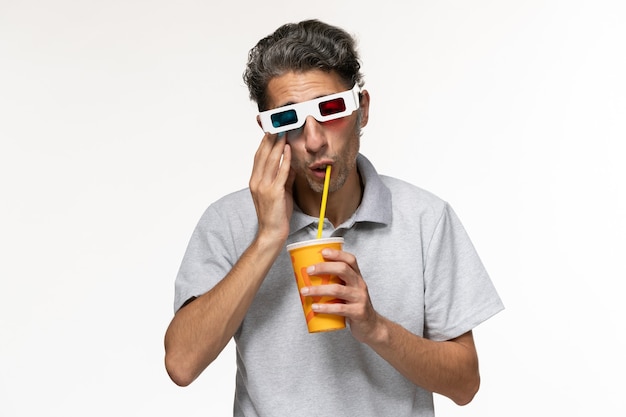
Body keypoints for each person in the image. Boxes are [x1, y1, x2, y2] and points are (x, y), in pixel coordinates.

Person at [164, 19, 504, 417]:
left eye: (330, 111)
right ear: (268, 132)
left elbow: (465, 383)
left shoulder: (426, 219)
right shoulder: (230, 221)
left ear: (362, 110)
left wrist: (377, 329)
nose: (313, 140)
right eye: (288, 119)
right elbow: (181, 365)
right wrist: (269, 237)